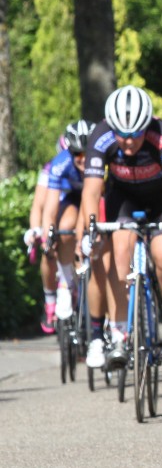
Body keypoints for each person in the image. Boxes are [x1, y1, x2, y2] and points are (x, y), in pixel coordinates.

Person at [79, 85, 162, 368]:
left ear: (146, 127)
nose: (128, 143)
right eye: (123, 136)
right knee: (119, 254)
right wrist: (90, 230)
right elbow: (91, 192)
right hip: (124, 199)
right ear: (111, 128)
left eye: (136, 135)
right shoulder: (101, 135)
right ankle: (118, 333)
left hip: (161, 200)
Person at [40, 121, 93, 326]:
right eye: (78, 154)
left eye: (87, 153)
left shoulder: (103, 160)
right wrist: (48, 235)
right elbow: (50, 207)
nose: (84, 159)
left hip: (99, 195)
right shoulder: (61, 163)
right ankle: (65, 283)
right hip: (72, 198)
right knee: (64, 227)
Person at [25, 136, 69, 334]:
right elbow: (38, 206)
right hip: (52, 218)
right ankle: (50, 301)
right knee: (47, 251)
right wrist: (36, 230)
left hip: (73, 218)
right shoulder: (51, 168)